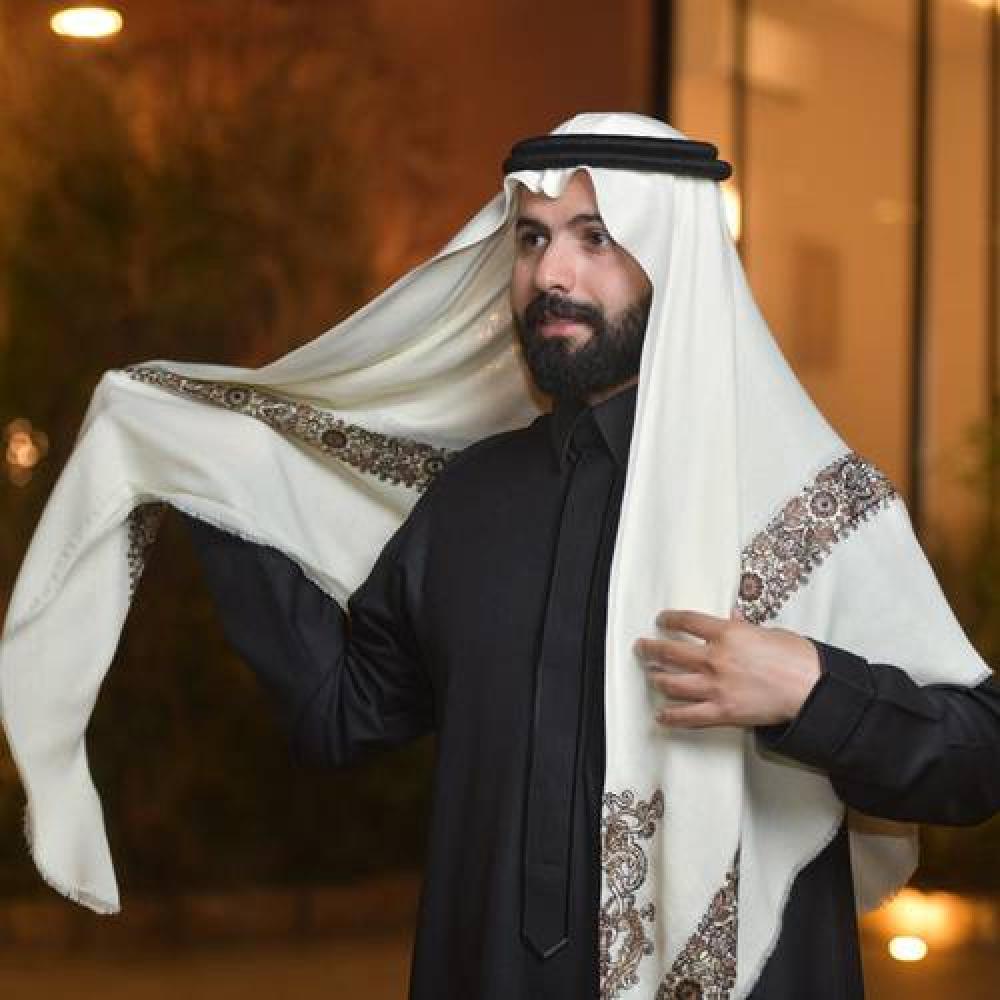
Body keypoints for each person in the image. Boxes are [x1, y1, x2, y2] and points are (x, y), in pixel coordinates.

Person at [1, 113, 998, 1000]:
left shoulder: (807, 504)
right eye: (531, 239)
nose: (551, 274)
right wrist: (216, 478)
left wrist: (813, 688)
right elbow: (342, 714)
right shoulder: (473, 500)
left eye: (595, 237)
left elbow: (975, 758)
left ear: (677, 262)